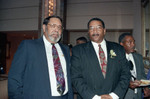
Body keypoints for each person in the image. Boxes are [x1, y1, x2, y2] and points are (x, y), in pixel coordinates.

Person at [8, 16, 73, 99]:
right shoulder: (28, 46)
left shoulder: (65, 49)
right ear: (44, 27)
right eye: (53, 25)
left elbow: (67, 76)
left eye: (59, 27)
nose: (56, 29)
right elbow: (15, 78)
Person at [71, 17, 131, 99]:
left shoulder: (118, 48)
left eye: (98, 28)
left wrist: (114, 95)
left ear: (104, 30)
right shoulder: (78, 50)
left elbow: (125, 74)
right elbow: (76, 77)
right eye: (91, 28)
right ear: (88, 32)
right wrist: (94, 97)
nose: (95, 31)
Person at [118, 33, 147, 99]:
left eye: (134, 42)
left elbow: (142, 75)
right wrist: (128, 84)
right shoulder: (116, 59)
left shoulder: (139, 57)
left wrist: (146, 87)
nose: (133, 44)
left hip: (138, 95)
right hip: (124, 95)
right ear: (121, 44)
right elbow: (114, 78)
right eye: (130, 42)